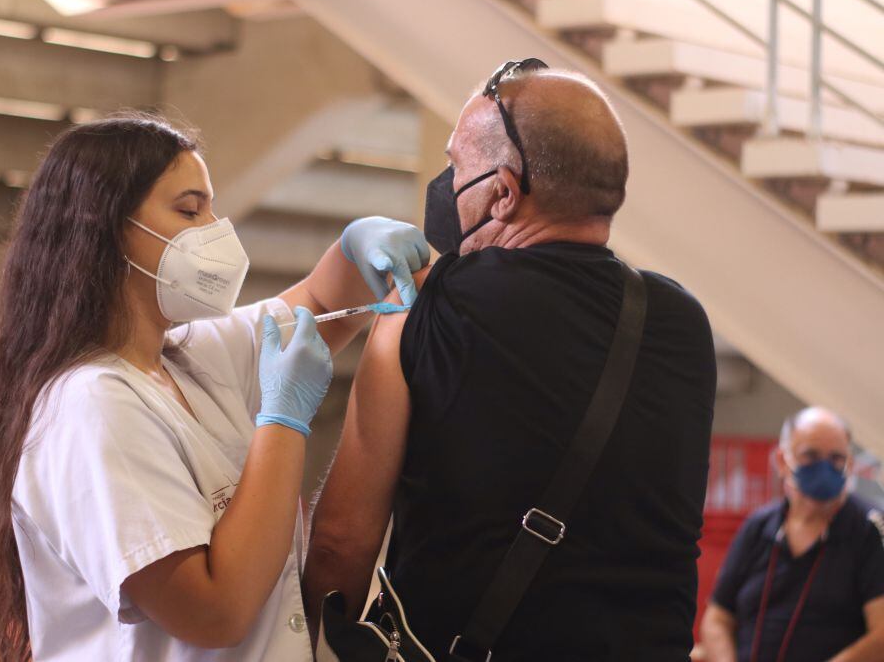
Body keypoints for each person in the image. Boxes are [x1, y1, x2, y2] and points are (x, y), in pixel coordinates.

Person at [0, 113, 430, 662]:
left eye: (211, 207)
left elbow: (324, 303)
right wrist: (282, 423)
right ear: (109, 228)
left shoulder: (185, 358)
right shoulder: (92, 405)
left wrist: (356, 246)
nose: (214, 231)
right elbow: (215, 613)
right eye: (189, 210)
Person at [302, 61, 717, 660]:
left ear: (502, 192)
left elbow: (341, 542)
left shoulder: (423, 309)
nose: (446, 184)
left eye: (456, 166)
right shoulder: (682, 321)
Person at [700, 407, 884, 662]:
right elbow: (717, 617)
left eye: (836, 458)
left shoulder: (872, 529)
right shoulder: (758, 526)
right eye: (811, 455)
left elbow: (882, 636)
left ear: (850, 464)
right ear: (781, 460)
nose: (825, 468)